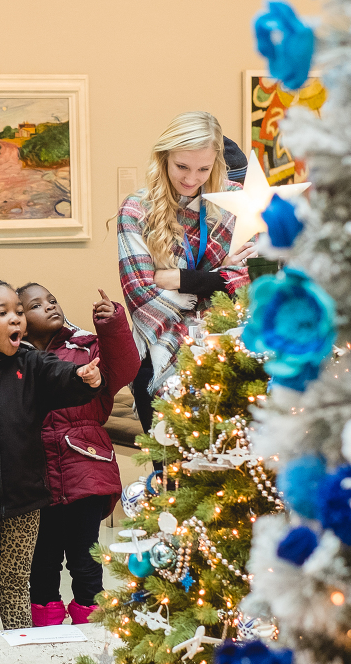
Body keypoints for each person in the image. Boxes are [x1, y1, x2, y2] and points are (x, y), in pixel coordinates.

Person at [0, 280, 103, 636]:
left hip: (25, 501)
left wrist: (81, 375)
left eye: (19, 312)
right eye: (2, 313)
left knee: (15, 584)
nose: (16, 320)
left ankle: (24, 660)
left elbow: (60, 375)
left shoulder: (32, 364)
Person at [118, 112, 254, 433]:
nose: (192, 179)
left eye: (203, 169)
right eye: (182, 167)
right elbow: (143, 295)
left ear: (216, 164)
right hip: (161, 360)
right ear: (164, 157)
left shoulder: (237, 203)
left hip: (228, 359)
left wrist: (180, 279)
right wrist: (222, 276)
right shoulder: (137, 209)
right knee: (170, 480)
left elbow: (255, 280)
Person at [20, 283, 141, 626]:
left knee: (84, 552)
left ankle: (91, 612)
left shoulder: (86, 346)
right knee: (41, 555)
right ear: (19, 319)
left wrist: (111, 324)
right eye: (36, 305)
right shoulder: (14, 357)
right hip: (36, 470)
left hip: (87, 465)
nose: (50, 306)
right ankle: (44, 612)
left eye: (52, 299)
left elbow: (125, 367)